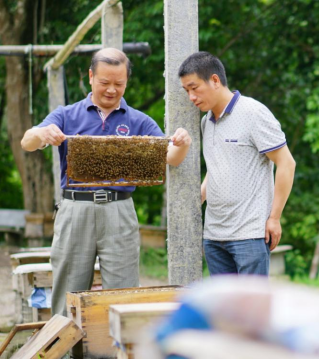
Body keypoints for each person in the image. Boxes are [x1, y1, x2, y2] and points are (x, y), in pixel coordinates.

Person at [21, 48, 192, 316]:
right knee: (68, 290)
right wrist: (42, 132)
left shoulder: (139, 121)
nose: (112, 90)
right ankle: (64, 355)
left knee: (123, 293)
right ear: (91, 77)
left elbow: (170, 157)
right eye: (105, 83)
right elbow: (27, 142)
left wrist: (182, 143)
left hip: (119, 210)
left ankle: (118, 354)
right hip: (74, 209)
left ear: (126, 82)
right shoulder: (66, 114)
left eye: (119, 84)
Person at [179, 51, 296, 276]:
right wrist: (196, 201)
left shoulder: (253, 113)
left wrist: (274, 218)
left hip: (249, 235)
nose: (191, 97)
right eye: (187, 91)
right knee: (224, 309)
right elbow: (216, 168)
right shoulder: (206, 122)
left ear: (214, 80)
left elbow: (287, 164)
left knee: (250, 309)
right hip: (214, 236)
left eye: (194, 88)